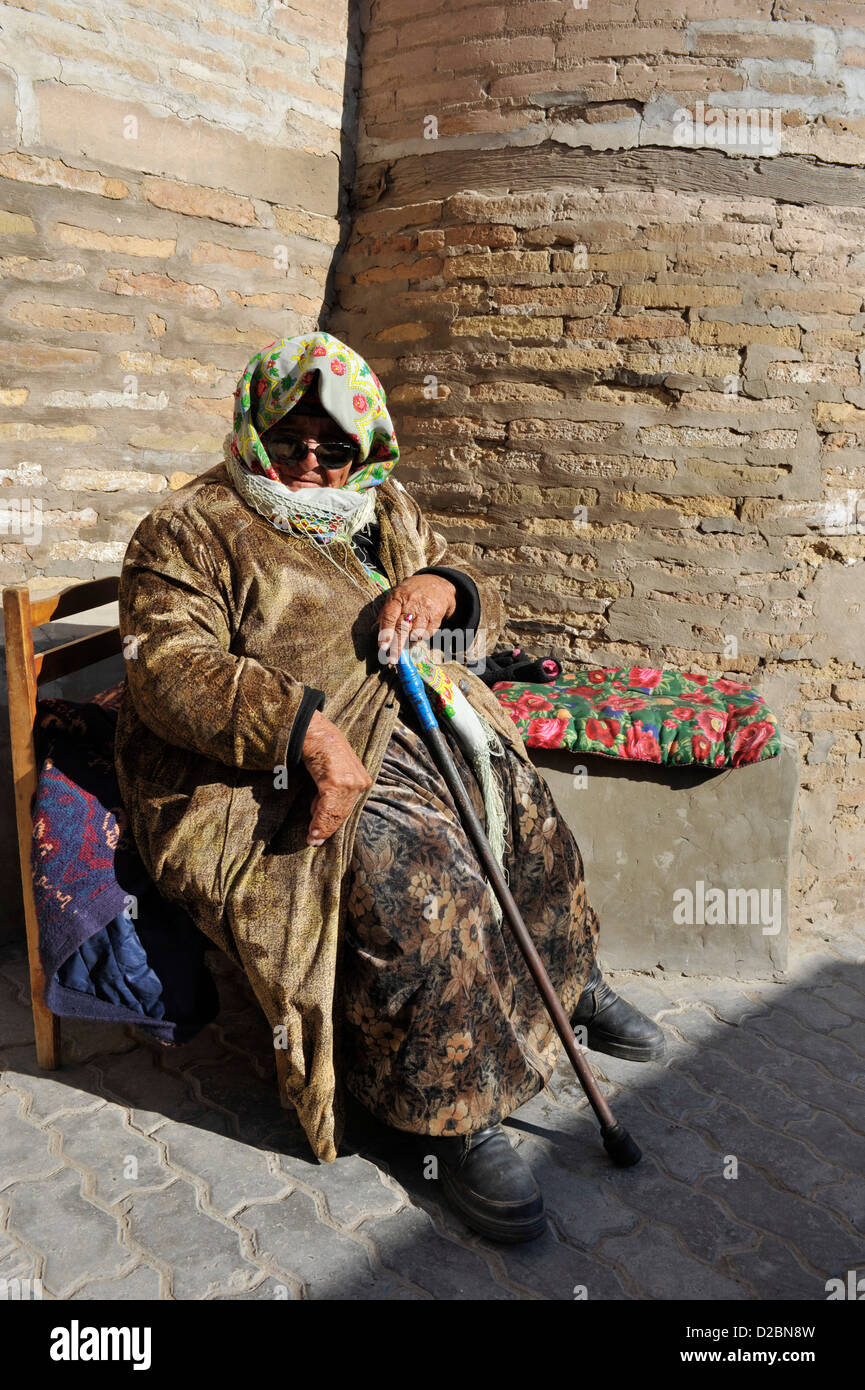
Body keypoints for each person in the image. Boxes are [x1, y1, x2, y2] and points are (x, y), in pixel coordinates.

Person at [114, 330, 664, 1244]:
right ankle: (444, 1119)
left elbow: (462, 585)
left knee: (524, 814)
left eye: (335, 447)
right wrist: (308, 734)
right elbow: (166, 666)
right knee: (418, 875)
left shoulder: (387, 507)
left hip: (412, 716)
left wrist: (444, 589)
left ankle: (561, 985)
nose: (311, 464)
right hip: (260, 763)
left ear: (368, 448)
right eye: (289, 442)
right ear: (253, 432)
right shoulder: (190, 527)